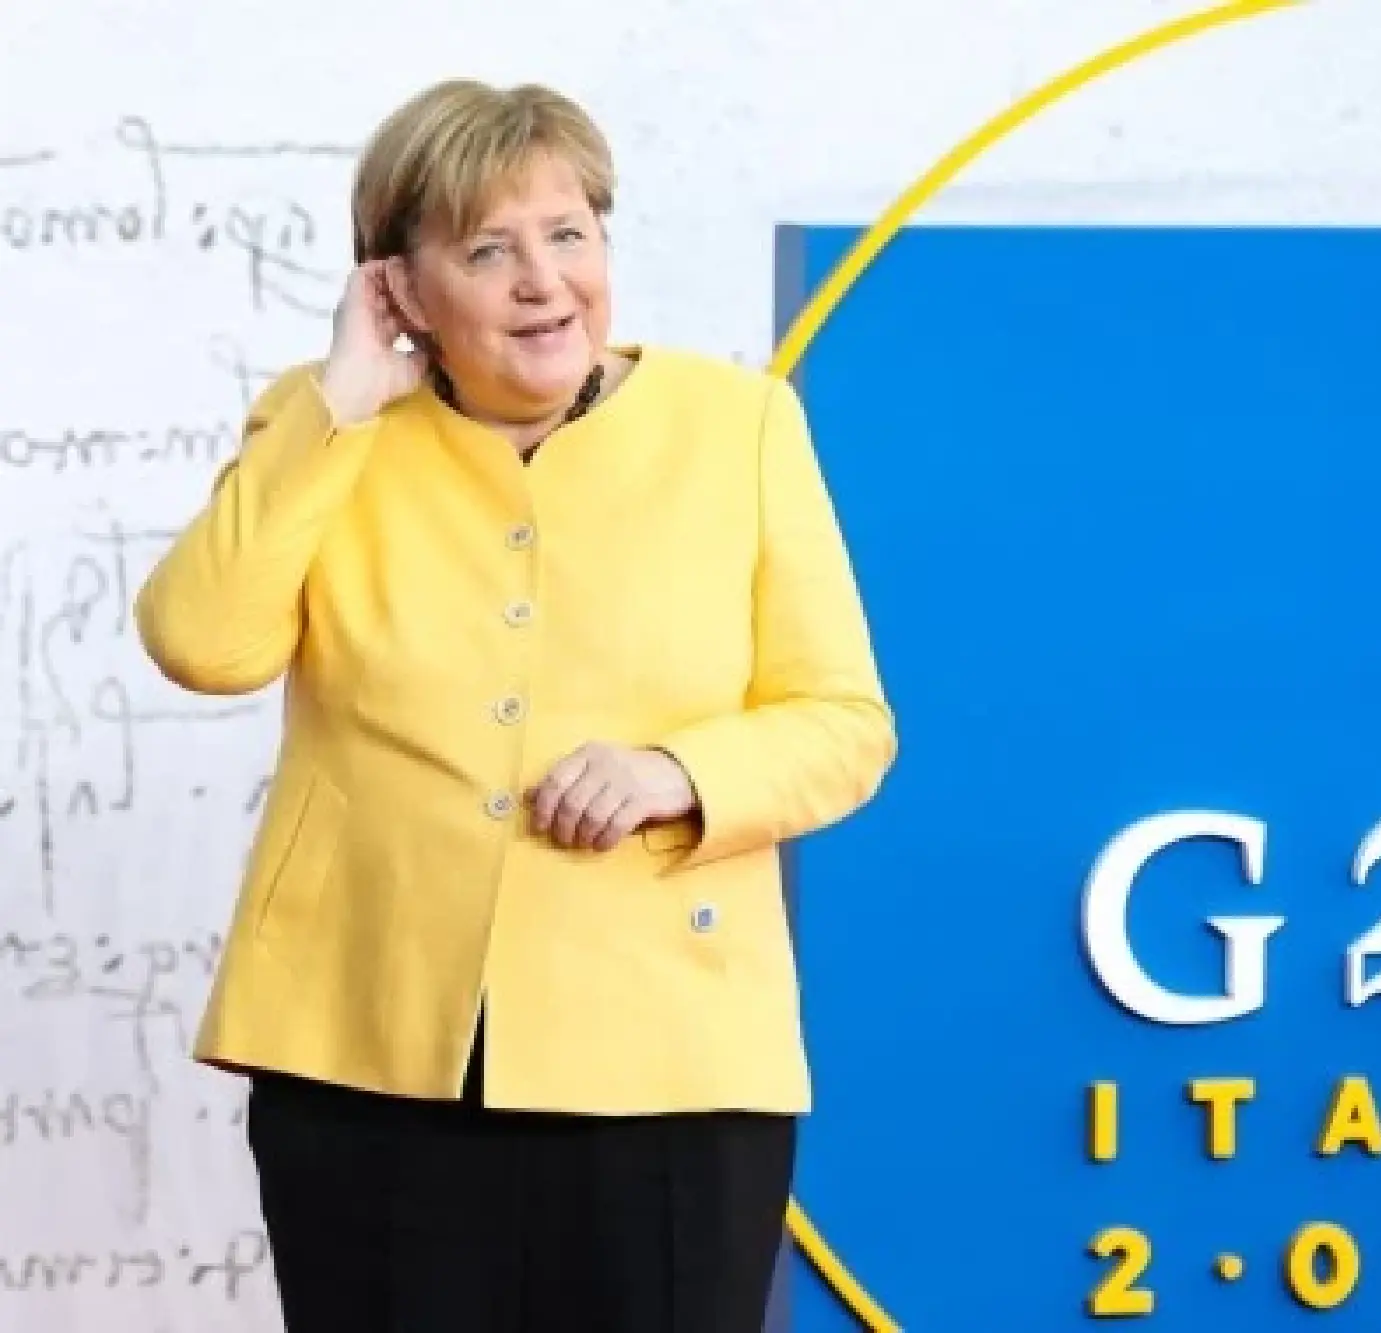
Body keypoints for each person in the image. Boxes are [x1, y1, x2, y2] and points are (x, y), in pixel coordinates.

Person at [134, 77, 896, 1333]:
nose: (543, 281)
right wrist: (337, 400)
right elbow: (202, 644)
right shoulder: (325, 426)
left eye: (568, 234)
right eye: (487, 250)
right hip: (364, 1051)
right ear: (400, 288)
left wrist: (680, 771)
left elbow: (844, 721)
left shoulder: (740, 424)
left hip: (672, 1064)